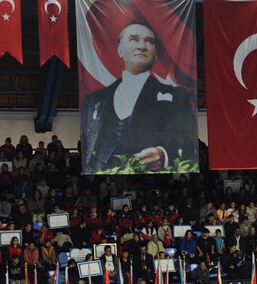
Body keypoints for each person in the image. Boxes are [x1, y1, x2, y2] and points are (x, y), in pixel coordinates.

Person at [80, 20, 197, 174]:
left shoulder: (177, 97)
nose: (142, 46)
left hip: (151, 178)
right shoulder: (95, 100)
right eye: (134, 39)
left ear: (156, 54)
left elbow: (188, 141)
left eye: (149, 41)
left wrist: (164, 154)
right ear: (120, 50)